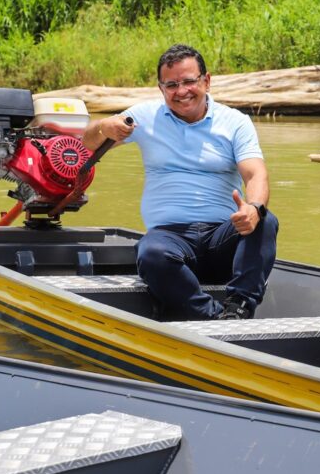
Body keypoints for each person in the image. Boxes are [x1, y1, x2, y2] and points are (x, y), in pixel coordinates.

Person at [84, 44, 278, 321]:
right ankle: (212, 317)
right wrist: (104, 127)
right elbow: (86, 145)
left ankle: (240, 307)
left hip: (222, 239)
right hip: (170, 241)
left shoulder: (235, 122)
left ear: (206, 81)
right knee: (150, 253)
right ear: (161, 88)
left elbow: (256, 174)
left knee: (265, 220)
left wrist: (254, 207)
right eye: (171, 84)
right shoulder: (143, 116)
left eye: (189, 81)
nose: (181, 91)